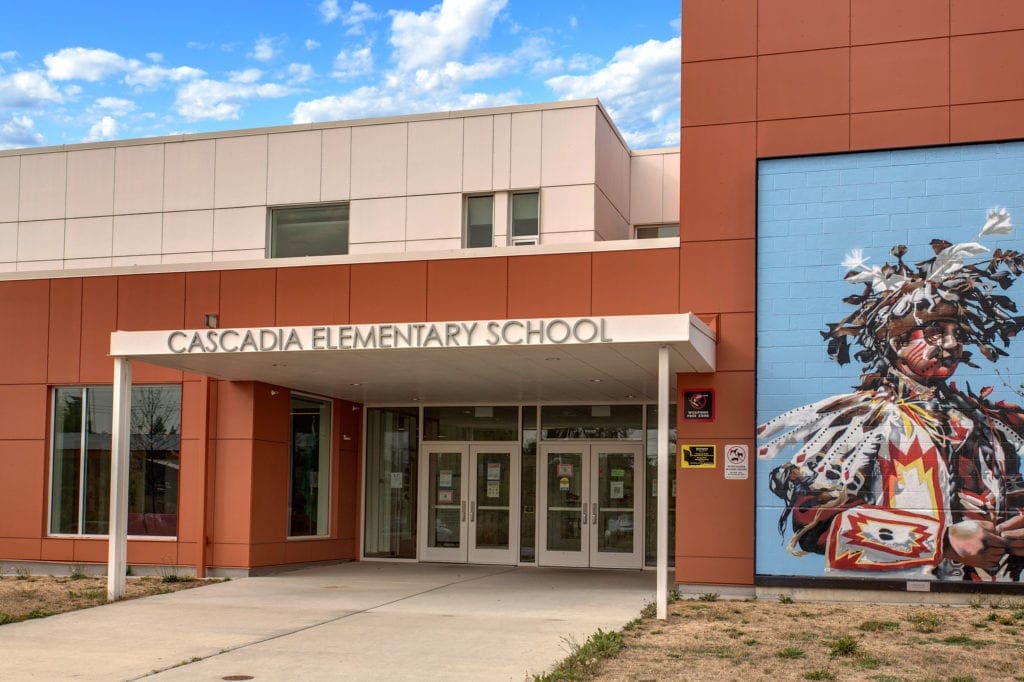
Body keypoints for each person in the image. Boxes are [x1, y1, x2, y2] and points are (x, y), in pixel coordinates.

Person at [758, 209, 1024, 580]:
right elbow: (814, 522)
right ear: (898, 343)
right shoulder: (859, 421)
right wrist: (940, 539)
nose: (951, 344)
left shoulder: (990, 423)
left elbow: (1011, 495)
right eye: (935, 332)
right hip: (888, 597)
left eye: (957, 333)